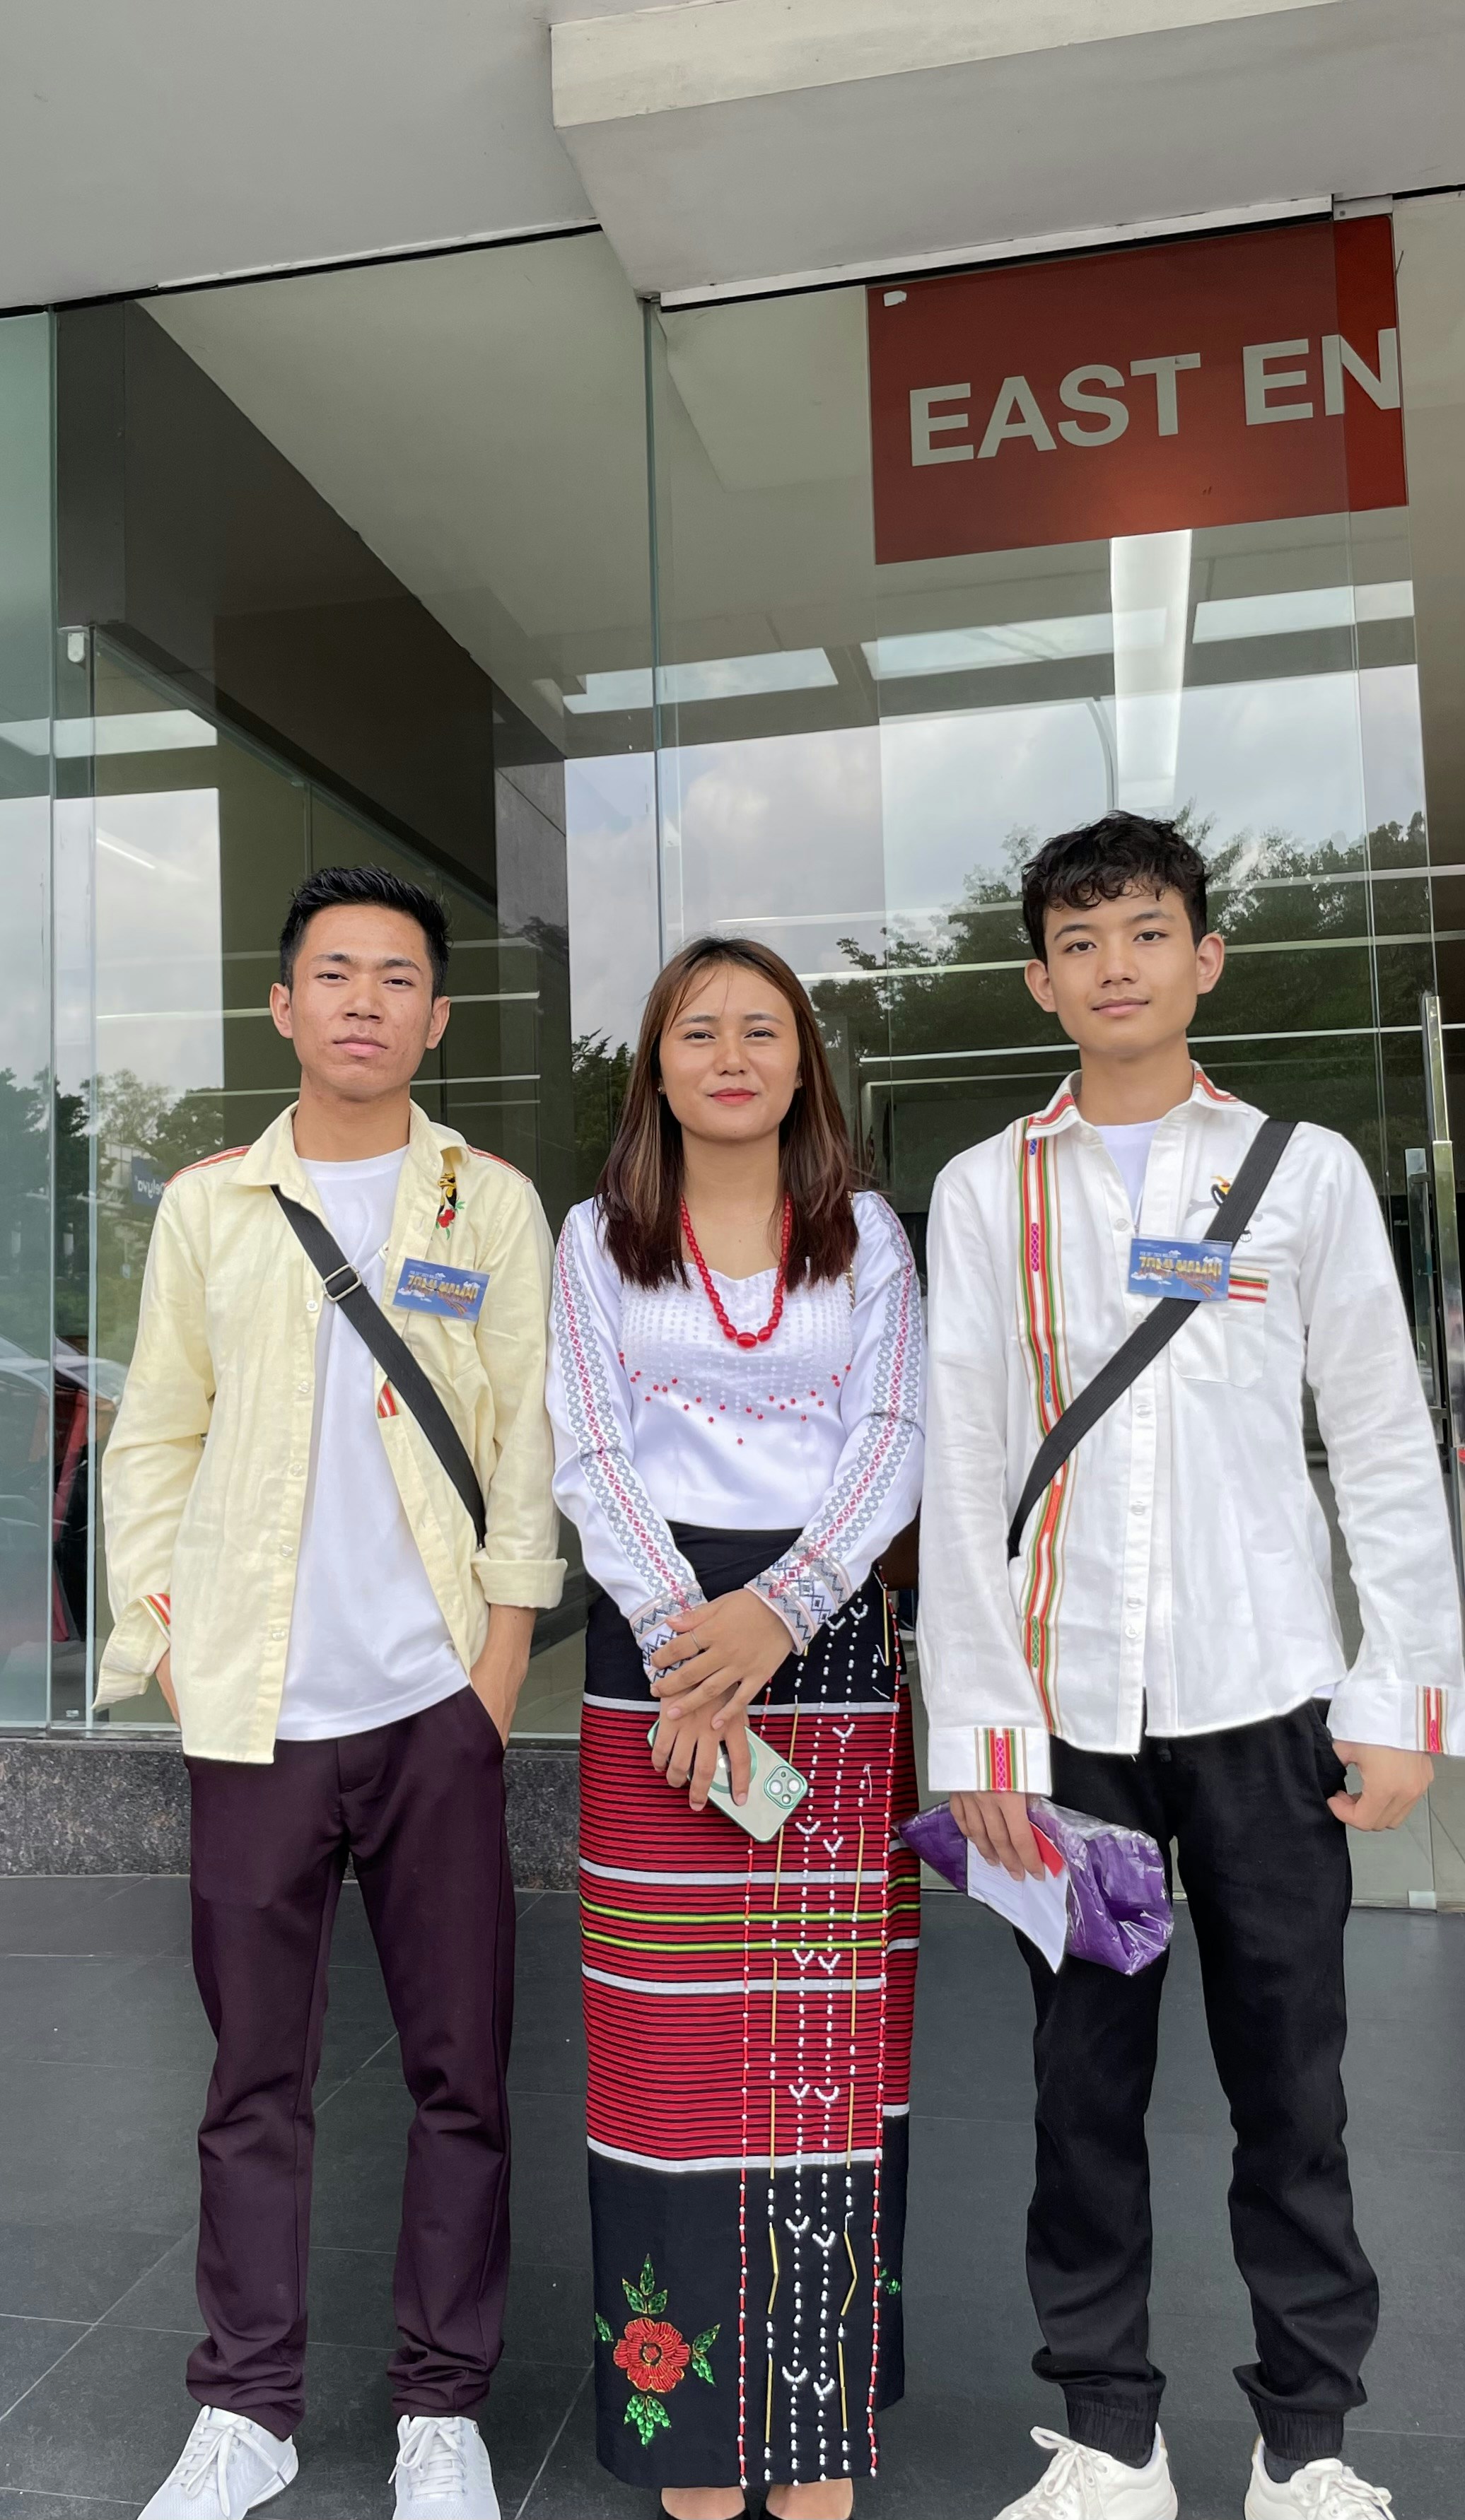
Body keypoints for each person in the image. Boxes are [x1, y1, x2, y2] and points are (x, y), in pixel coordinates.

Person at [917, 812, 1462, 2520]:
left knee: (1289, 2092)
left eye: (1146, 932)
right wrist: (981, 1728)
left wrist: (1401, 1696)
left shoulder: (1300, 1174)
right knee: (1081, 2094)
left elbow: (1380, 1442)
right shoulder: (982, 1186)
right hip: (1072, 1733)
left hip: (1267, 1715)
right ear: (1039, 980)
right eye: (1079, 943)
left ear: (1203, 956)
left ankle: (1307, 2445)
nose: (1116, 967)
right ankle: (1107, 2435)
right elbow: (959, 1463)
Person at [98, 865, 564, 2520]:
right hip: (256, 1716)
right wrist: (164, 1637)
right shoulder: (213, 1203)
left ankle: (442, 2405)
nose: (364, 1000)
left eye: (397, 978)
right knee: (253, 2077)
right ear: (284, 1006)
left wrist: (495, 1674)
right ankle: (248, 2407)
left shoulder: (488, 1201)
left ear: (435, 1017)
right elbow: (154, 1429)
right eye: (333, 973)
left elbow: (526, 1444)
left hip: (434, 1706)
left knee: (460, 2071)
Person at [547, 937, 924, 2520]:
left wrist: (785, 1606)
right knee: (666, 2052)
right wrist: (678, 1631)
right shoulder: (596, 1238)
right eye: (697, 1029)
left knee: (832, 2056)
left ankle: (816, 2426)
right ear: (655, 1065)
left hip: (826, 1648)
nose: (730, 1052)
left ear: (802, 1064)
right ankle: (689, 2429)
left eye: (761, 1028)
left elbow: (891, 1427)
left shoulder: (865, 1238)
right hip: (659, 1635)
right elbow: (586, 1437)